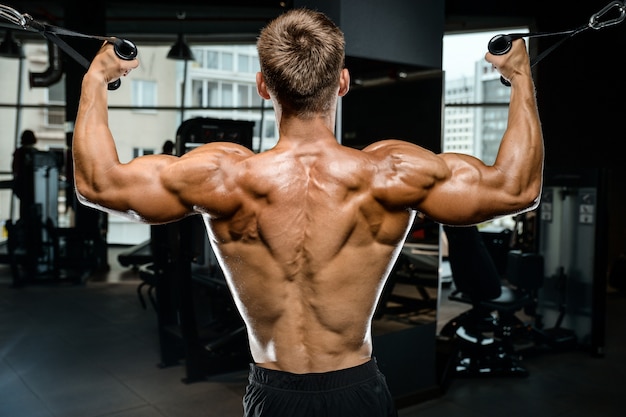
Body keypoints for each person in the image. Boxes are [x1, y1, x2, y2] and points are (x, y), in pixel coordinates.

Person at [72, 8, 543, 417]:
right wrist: (520, 77)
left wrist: (97, 78)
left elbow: (98, 184)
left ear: (263, 85)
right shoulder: (390, 172)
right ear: (342, 81)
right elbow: (517, 189)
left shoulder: (223, 176)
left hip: (274, 395)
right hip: (356, 389)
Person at [11, 129, 38, 219]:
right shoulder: (36, 153)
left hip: (22, 185)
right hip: (35, 186)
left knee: (24, 210)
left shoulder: (19, 152)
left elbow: (15, 169)